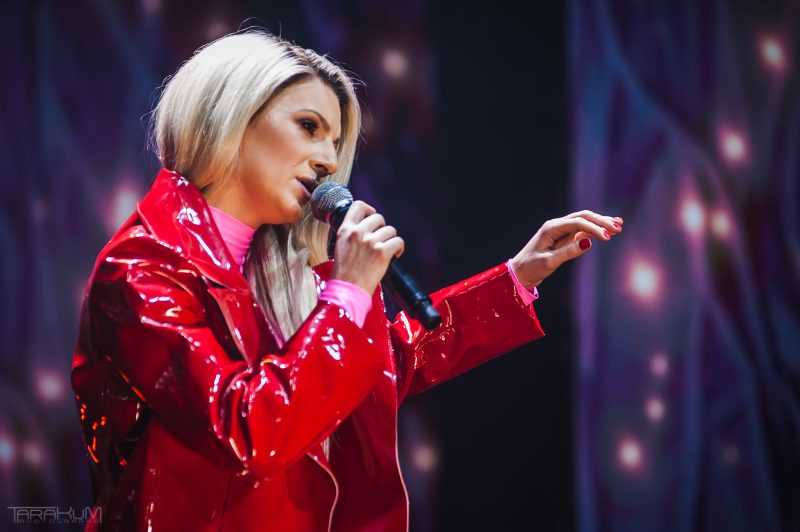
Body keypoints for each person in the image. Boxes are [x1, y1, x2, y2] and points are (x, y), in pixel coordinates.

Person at [71, 29, 622, 531]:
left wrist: (516, 278)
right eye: (309, 127)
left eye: (334, 143)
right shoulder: (142, 268)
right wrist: (348, 293)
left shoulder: (289, 269)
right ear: (230, 116)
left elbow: (378, 365)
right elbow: (247, 428)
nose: (328, 161)